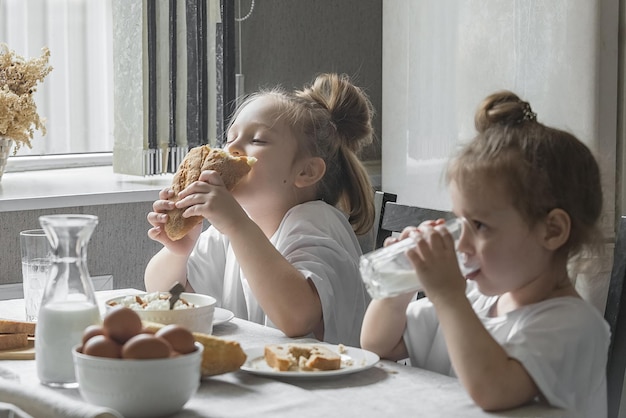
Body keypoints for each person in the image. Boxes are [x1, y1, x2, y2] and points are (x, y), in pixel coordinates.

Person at [360, 90, 609, 415]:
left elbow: (494, 389)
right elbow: (378, 344)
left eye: (479, 226)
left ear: (552, 231)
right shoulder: (475, 300)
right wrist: (402, 282)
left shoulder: (573, 326)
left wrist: (449, 296)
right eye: (459, 222)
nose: (461, 244)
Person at [145, 73, 374, 347]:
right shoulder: (232, 231)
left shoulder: (317, 221)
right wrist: (177, 253)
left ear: (306, 171)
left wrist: (237, 226)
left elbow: (298, 318)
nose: (232, 148)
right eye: (230, 138)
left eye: (258, 140)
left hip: (323, 385)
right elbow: (166, 296)